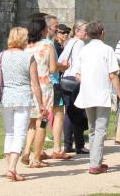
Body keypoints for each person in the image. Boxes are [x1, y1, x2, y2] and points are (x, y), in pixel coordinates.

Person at [73, 22, 120, 175]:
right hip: (102, 94)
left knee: (92, 129)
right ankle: (95, 164)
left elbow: (77, 75)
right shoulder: (107, 50)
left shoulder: (84, 50)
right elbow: (113, 75)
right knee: (100, 129)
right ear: (102, 33)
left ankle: (95, 161)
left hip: (87, 93)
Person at [0, 27, 45, 182]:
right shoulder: (28, 57)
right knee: (19, 134)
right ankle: (12, 168)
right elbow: (35, 84)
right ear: (22, 40)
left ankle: (10, 168)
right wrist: (41, 103)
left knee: (10, 134)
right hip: (23, 98)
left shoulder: (1, 56)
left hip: (6, 98)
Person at [21, 18, 57, 168]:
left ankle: (27, 150)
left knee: (31, 122)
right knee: (42, 122)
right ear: (43, 31)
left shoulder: (26, 47)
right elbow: (53, 69)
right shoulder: (48, 45)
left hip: (29, 87)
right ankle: (36, 158)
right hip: (44, 86)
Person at [58, 21, 89, 154]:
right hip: (75, 79)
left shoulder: (70, 42)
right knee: (78, 113)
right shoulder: (80, 44)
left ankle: (67, 144)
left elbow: (62, 60)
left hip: (66, 79)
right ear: (77, 31)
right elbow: (80, 63)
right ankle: (80, 144)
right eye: (84, 30)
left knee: (69, 112)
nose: (86, 33)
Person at [46, 17, 72, 160]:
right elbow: (53, 66)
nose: (65, 35)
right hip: (53, 82)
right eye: (62, 32)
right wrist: (63, 66)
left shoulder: (58, 46)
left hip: (49, 82)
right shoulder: (53, 46)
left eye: (67, 32)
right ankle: (57, 147)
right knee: (57, 114)